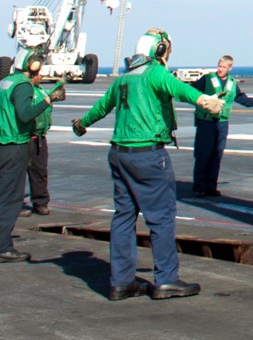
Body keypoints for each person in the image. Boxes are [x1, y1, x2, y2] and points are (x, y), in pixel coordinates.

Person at [72, 28, 225, 299]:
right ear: (159, 50)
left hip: (119, 154)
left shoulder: (124, 78)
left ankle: (121, 282)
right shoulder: (155, 72)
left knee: (123, 217)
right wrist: (205, 101)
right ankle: (166, 280)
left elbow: (102, 107)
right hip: (148, 155)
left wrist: (82, 124)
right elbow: (181, 90)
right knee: (161, 218)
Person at [2, 48, 65, 262]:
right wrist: (48, 100)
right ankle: (3, 247)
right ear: (32, 66)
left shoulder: (6, 82)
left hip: (3, 142)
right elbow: (25, 113)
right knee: (11, 197)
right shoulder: (22, 86)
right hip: (14, 144)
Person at [189, 54, 253, 197]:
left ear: (230, 68)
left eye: (223, 67)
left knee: (216, 156)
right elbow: (192, 92)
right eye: (219, 66)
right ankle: (199, 187)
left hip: (222, 124)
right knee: (202, 155)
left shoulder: (231, 83)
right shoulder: (207, 79)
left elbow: (241, 98)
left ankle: (211, 187)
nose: (220, 69)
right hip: (206, 123)